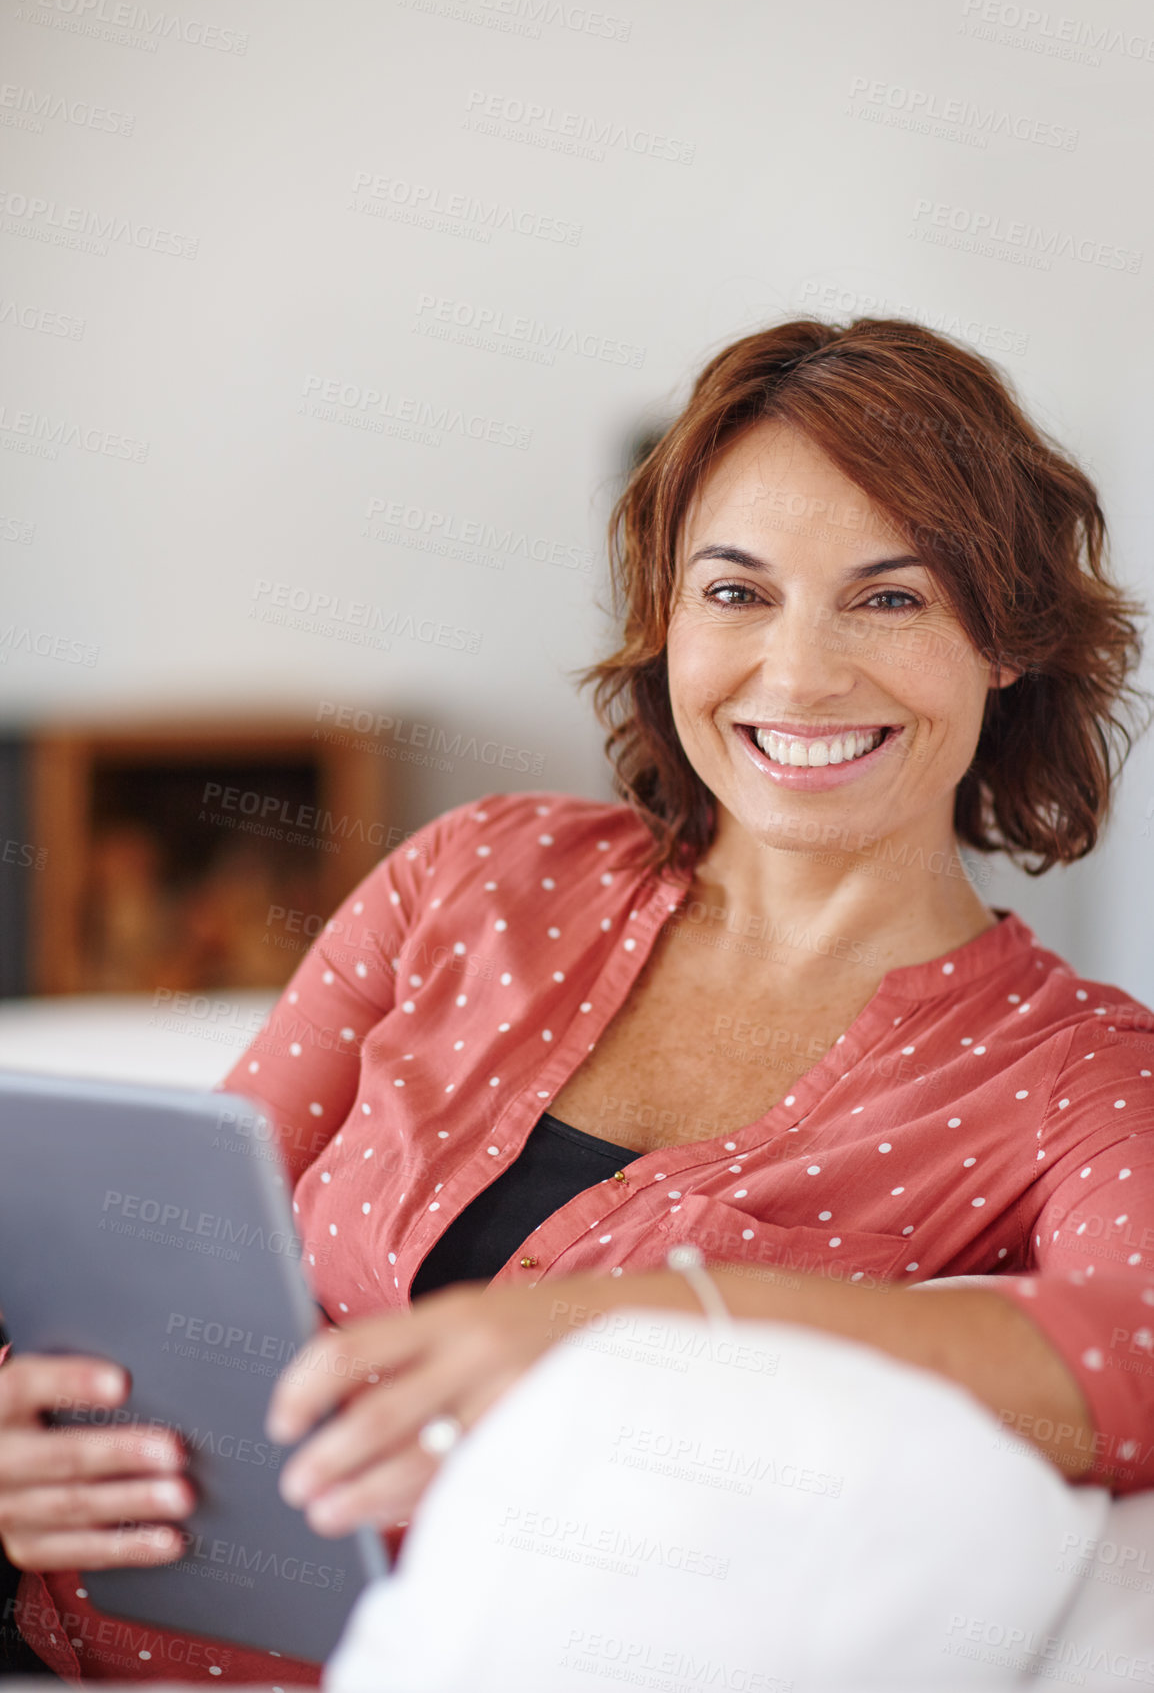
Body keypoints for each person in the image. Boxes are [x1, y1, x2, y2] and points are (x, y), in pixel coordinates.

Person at [2, 317, 1152, 1685]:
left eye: (888, 598)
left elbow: (1124, 1357)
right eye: (734, 593)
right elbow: (165, 1245)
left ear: (1006, 639)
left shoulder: (1071, 1070)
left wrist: (644, 1324)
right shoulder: (476, 871)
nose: (798, 673)